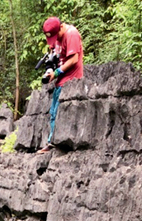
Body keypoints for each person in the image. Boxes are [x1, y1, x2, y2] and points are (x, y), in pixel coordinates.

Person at [39, 16, 84, 153]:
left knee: (60, 112)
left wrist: (57, 72)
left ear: (61, 27)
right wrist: (50, 69)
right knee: (53, 113)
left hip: (71, 81)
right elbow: (54, 54)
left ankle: (58, 143)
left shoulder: (71, 34)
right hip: (60, 82)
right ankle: (52, 142)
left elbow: (74, 59)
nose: (54, 40)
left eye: (55, 35)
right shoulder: (56, 38)